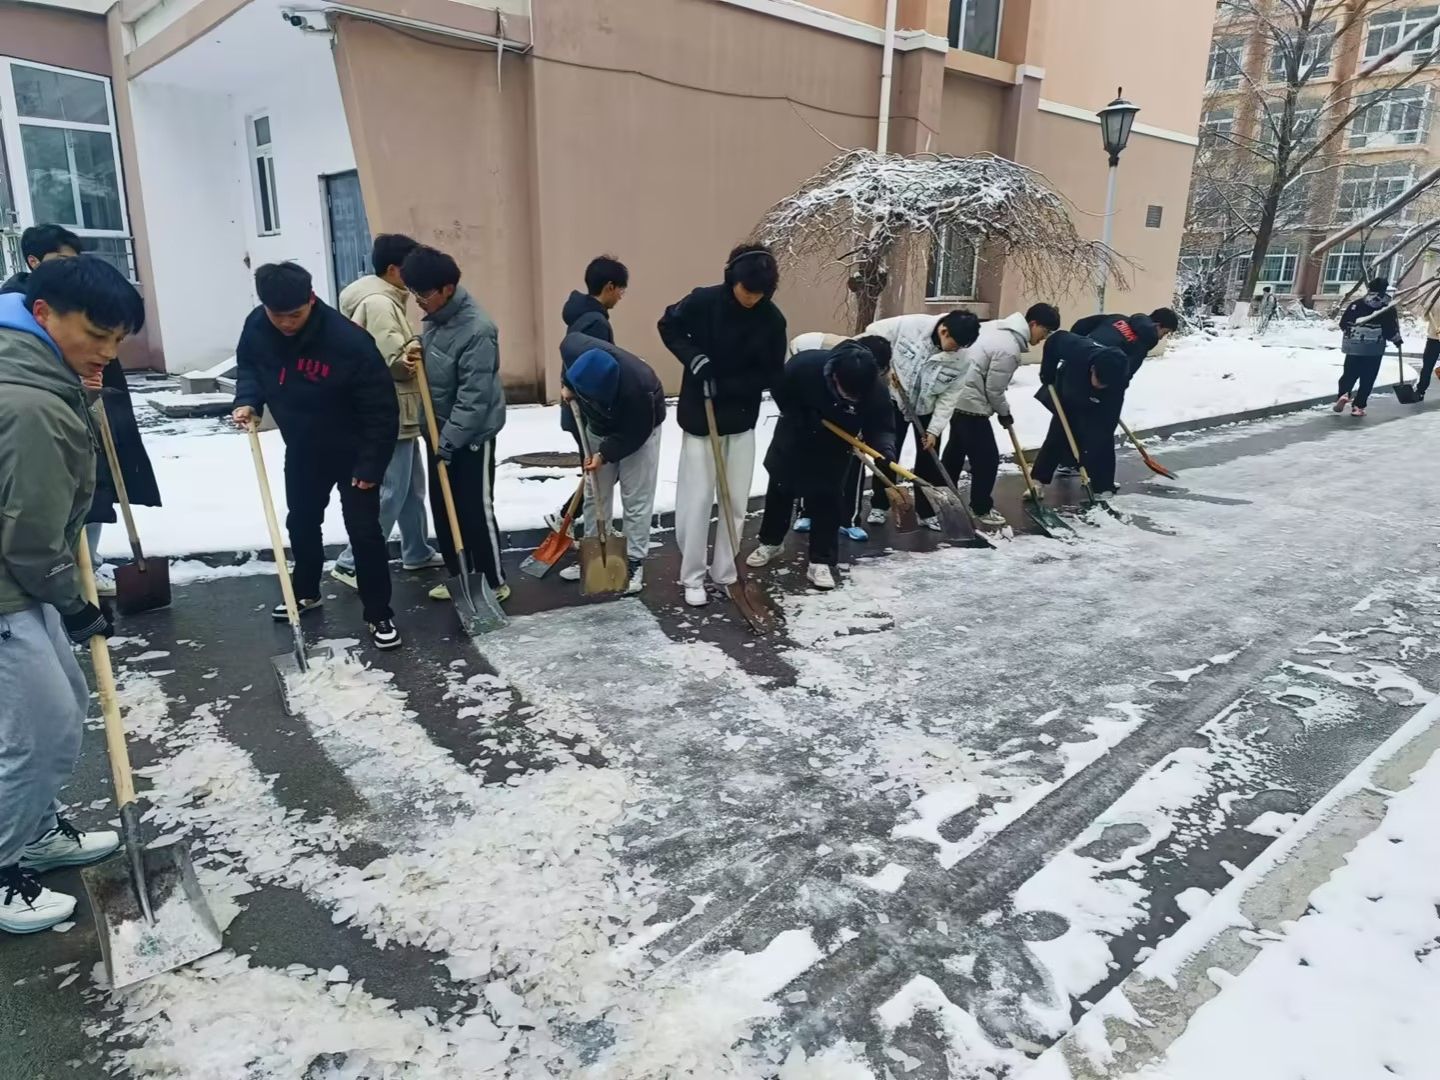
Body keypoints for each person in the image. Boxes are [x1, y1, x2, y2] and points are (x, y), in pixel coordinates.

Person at [0, 257, 145, 933]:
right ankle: (5, 864)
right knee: (37, 734)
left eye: (117, 340)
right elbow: (28, 536)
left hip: (21, 583)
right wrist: (74, 602)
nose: (107, 353)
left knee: (63, 708)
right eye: (96, 334)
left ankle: (33, 832)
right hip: (11, 590)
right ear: (43, 314)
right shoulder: (29, 403)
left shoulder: (40, 376)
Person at [231, 262, 402, 650]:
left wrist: (372, 464)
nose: (285, 323)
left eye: (294, 315)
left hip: (355, 449)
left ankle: (379, 612)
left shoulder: (349, 342)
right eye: (277, 315)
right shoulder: (257, 327)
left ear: (311, 300)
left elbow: (381, 408)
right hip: (304, 446)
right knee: (302, 521)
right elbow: (250, 368)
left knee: (364, 532)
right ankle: (306, 592)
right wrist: (248, 401)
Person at [659, 243, 786, 608]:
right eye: (747, 290)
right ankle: (692, 575)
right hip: (701, 416)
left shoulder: (772, 319)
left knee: (734, 500)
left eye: (759, 293)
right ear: (733, 279)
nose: (751, 298)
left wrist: (732, 385)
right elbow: (668, 325)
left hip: (741, 417)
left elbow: (772, 371)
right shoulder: (703, 301)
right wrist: (693, 358)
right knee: (698, 499)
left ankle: (726, 572)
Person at [330, 234, 442, 589]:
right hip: (390, 410)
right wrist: (414, 355)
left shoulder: (380, 297)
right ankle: (352, 561)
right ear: (394, 269)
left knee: (410, 488)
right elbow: (393, 361)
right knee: (392, 489)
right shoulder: (379, 303)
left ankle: (416, 550)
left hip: (399, 408)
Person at [400, 245, 509, 602]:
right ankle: (460, 576)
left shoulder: (478, 330)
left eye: (424, 294)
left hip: (472, 435)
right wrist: (415, 348)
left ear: (447, 289)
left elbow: (474, 398)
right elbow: (439, 357)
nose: (419, 302)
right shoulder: (438, 317)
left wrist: (448, 442)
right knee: (445, 509)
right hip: (439, 430)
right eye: (414, 293)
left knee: (475, 510)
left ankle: (493, 581)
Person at [746, 340, 882, 589]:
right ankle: (771, 542)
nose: (851, 398)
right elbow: (779, 388)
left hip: (834, 445)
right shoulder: (804, 366)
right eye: (847, 392)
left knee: (827, 498)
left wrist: (885, 448)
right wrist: (798, 413)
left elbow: (882, 423)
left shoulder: (873, 387)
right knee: (781, 488)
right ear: (835, 376)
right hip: (794, 434)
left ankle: (821, 560)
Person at [559, 337, 666, 594]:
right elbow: (568, 364)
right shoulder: (573, 350)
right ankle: (595, 555)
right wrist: (568, 386)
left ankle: (634, 560)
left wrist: (604, 455)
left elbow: (634, 435)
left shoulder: (640, 388)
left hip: (639, 430)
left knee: (635, 495)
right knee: (595, 491)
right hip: (598, 428)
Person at [944, 304, 1062, 526]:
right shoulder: (1009, 349)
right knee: (987, 459)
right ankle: (980, 507)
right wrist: (1004, 413)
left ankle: (944, 495)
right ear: (1033, 324)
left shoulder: (997, 327)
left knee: (956, 449)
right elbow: (994, 390)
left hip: (956, 393)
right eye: (1044, 332)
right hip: (971, 401)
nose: (1043, 338)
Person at [862, 310, 981, 529]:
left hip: (928, 409)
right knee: (887, 455)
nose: (957, 350)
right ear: (944, 331)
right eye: (955, 344)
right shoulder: (909, 326)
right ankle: (880, 504)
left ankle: (925, 511)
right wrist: (886, 367)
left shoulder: (962, 359)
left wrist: (934, 430)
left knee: (929, 461)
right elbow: (872, 333)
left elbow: (949, 397)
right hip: (896, 401)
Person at [551, 256, 630, 541]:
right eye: (621, 290)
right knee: (601, 469)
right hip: (587, 411)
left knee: (596, 470)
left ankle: (574, 520)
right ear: (609, 286)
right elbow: (595, 369)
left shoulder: (581, 316)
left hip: (578, 407)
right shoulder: (595, 323)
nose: (621, 296)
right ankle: (573, 521)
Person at [791, 334, 895, 540]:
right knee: (812, 467)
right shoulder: (824, 367)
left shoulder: (877, 386)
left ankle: (849, 520)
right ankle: (806, 513)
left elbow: (882, 422)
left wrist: (885, 449)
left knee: (853, 471)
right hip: (820, 424)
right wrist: (807, 418)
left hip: (853, 430)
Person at [1066, 307, 1178, 484]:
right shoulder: (1141, 344)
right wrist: (1111, 401)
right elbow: (1125, 375)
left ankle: (1067, 463)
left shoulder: (1118, 318)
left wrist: (1076, 347)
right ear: (1157, 325)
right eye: (1164, 332)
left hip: (1075, 368)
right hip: (1096, 378)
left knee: (1071, 418)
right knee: (1100, 427)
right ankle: (1099, 480)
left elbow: (1081, 325)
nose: (1162, 337)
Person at [1030, 330, 1128, 497]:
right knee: (1059, 431)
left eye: (1104, 384)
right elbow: (1055, 339)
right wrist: (1047, 372)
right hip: (1070, 386)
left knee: (1102, 437)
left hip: (1100, 402)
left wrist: (1087, 456)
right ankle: (1038, 481)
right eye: (1098, 380)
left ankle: (1102, 485)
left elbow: (1108, 423)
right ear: (1093, 369)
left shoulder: (1119, 380)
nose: (1099, 385)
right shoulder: (1078, 349)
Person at [1336, 277, 1403, 418]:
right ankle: (1358, 406)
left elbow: (1343, 323)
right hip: (1374, 349)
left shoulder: (1356, 304)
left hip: (1354, 347)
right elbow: (1390, 329)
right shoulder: (1386, 307)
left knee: (1349, 373)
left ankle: (1344, 393)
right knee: (1368, 377)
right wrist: (1397, 340)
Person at [0, 223, 83, 295]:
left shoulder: (73, 291)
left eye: (76, 261)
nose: (73, 267)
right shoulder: (15, 301)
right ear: (33, 262)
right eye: (63, 260)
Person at [1417, 302, 1440, 401]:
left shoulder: (1434, 301)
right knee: (1427, 367)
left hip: (1433, 340)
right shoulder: (1434, 301)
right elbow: (1426, 317)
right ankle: (1420, 390)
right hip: (1433, 338)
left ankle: (1420, 391)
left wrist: (1427, 311)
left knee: (1427, 367)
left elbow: (1425, 318)